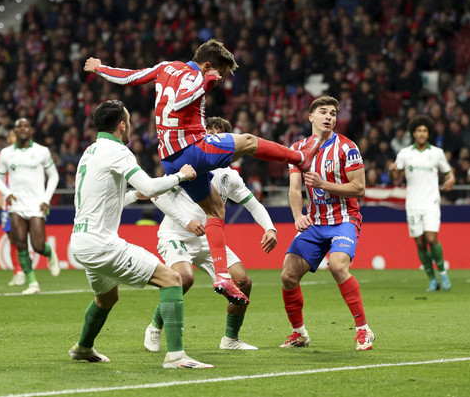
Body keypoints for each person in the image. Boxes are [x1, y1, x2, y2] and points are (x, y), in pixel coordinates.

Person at [84, 39, 321, 306]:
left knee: (215, 210)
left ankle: (221, 275)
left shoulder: (166, 67)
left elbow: (132, 77)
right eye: (220, 72)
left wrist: (100, 68)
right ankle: (301, 156)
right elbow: (181, 101)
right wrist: (206, 84)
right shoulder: (193, 77)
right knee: (250, 142)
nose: (221, 78)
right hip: (193, 147)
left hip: (170, 157)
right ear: (208, 65)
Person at [68, 100, 212, 369]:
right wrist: (180, 176)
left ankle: (83, 348)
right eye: (129, 120)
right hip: (101, 244)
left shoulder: (90, 152)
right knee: (172, 279)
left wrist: (135, 195)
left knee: (107, 297)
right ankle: (177, 357)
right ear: (123, 125)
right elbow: (149, 183)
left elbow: (106, 199)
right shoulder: (118, 151)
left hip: (81, 241)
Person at [143, 116, 277, 352]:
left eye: (218, 135)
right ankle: (154, 327)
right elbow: (158, 196)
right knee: (183, 279)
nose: (210, 140)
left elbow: (253, 203)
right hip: (177, 234)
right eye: (208, 134)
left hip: (209, 240)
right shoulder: (187, 162)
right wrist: (186, 221)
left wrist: (270, 228)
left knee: (243, 282)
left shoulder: (230, 176)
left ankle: (231, 339)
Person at [279, 96, 374, 351]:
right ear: (311, 117)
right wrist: (298, 216)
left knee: (337, 266)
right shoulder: (298, 149)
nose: (329, 117)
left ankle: (364, 330)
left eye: (333, 113)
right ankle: (299, 333)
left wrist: (324, 185)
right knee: (288, 276)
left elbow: (360, 188)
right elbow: (295, 189)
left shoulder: (347, 147)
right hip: (315, 221)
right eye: (323, 112)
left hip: (344, 218)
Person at [388, 115, 455, 292]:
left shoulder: (437, 153)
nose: (422, 134)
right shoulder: (404, 154)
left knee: (431, 238)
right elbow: (395, 178)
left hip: (431, 201)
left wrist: (451, 180)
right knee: (419, 242)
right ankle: (432, 279)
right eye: (419, 130)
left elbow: (449, 173)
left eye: (425, 130)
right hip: (413, 203)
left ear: (429, 133)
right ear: (414, 133)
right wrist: (391, 171)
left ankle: (442, 272)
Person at [0, 118, 60, 295]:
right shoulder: (6, 154)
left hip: (37, 204)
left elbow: (53, 176)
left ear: (31, 130)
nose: (22, 129)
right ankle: (32, 283)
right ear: (15, 131)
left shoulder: (42, 151)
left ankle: (49, 252)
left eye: (26, 126)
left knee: (37, 245)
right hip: (16, 205)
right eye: (19, 126)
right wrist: (7, 193)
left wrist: (46, 198)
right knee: (20, 243)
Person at [0, 129, 24, 286]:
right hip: (7, 202)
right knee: (12, 237)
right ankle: (18, 271)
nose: (15, 137)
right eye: (12, 135)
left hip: (24, 200)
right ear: (9, 138)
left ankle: (24, 269)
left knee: (23, 236)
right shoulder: (0, 157)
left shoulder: (26, 155)